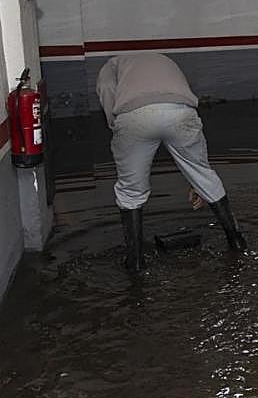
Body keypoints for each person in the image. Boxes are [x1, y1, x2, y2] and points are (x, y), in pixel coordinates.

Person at [96, 52, 247, 271]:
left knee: (131, 192)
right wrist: (196, 183)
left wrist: (117, 127)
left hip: (134, 116)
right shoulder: (163, 59)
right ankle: (237, 242)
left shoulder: (111, 66)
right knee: (204, 175)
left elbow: (107, 92)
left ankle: (135, 262)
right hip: (180, 112)